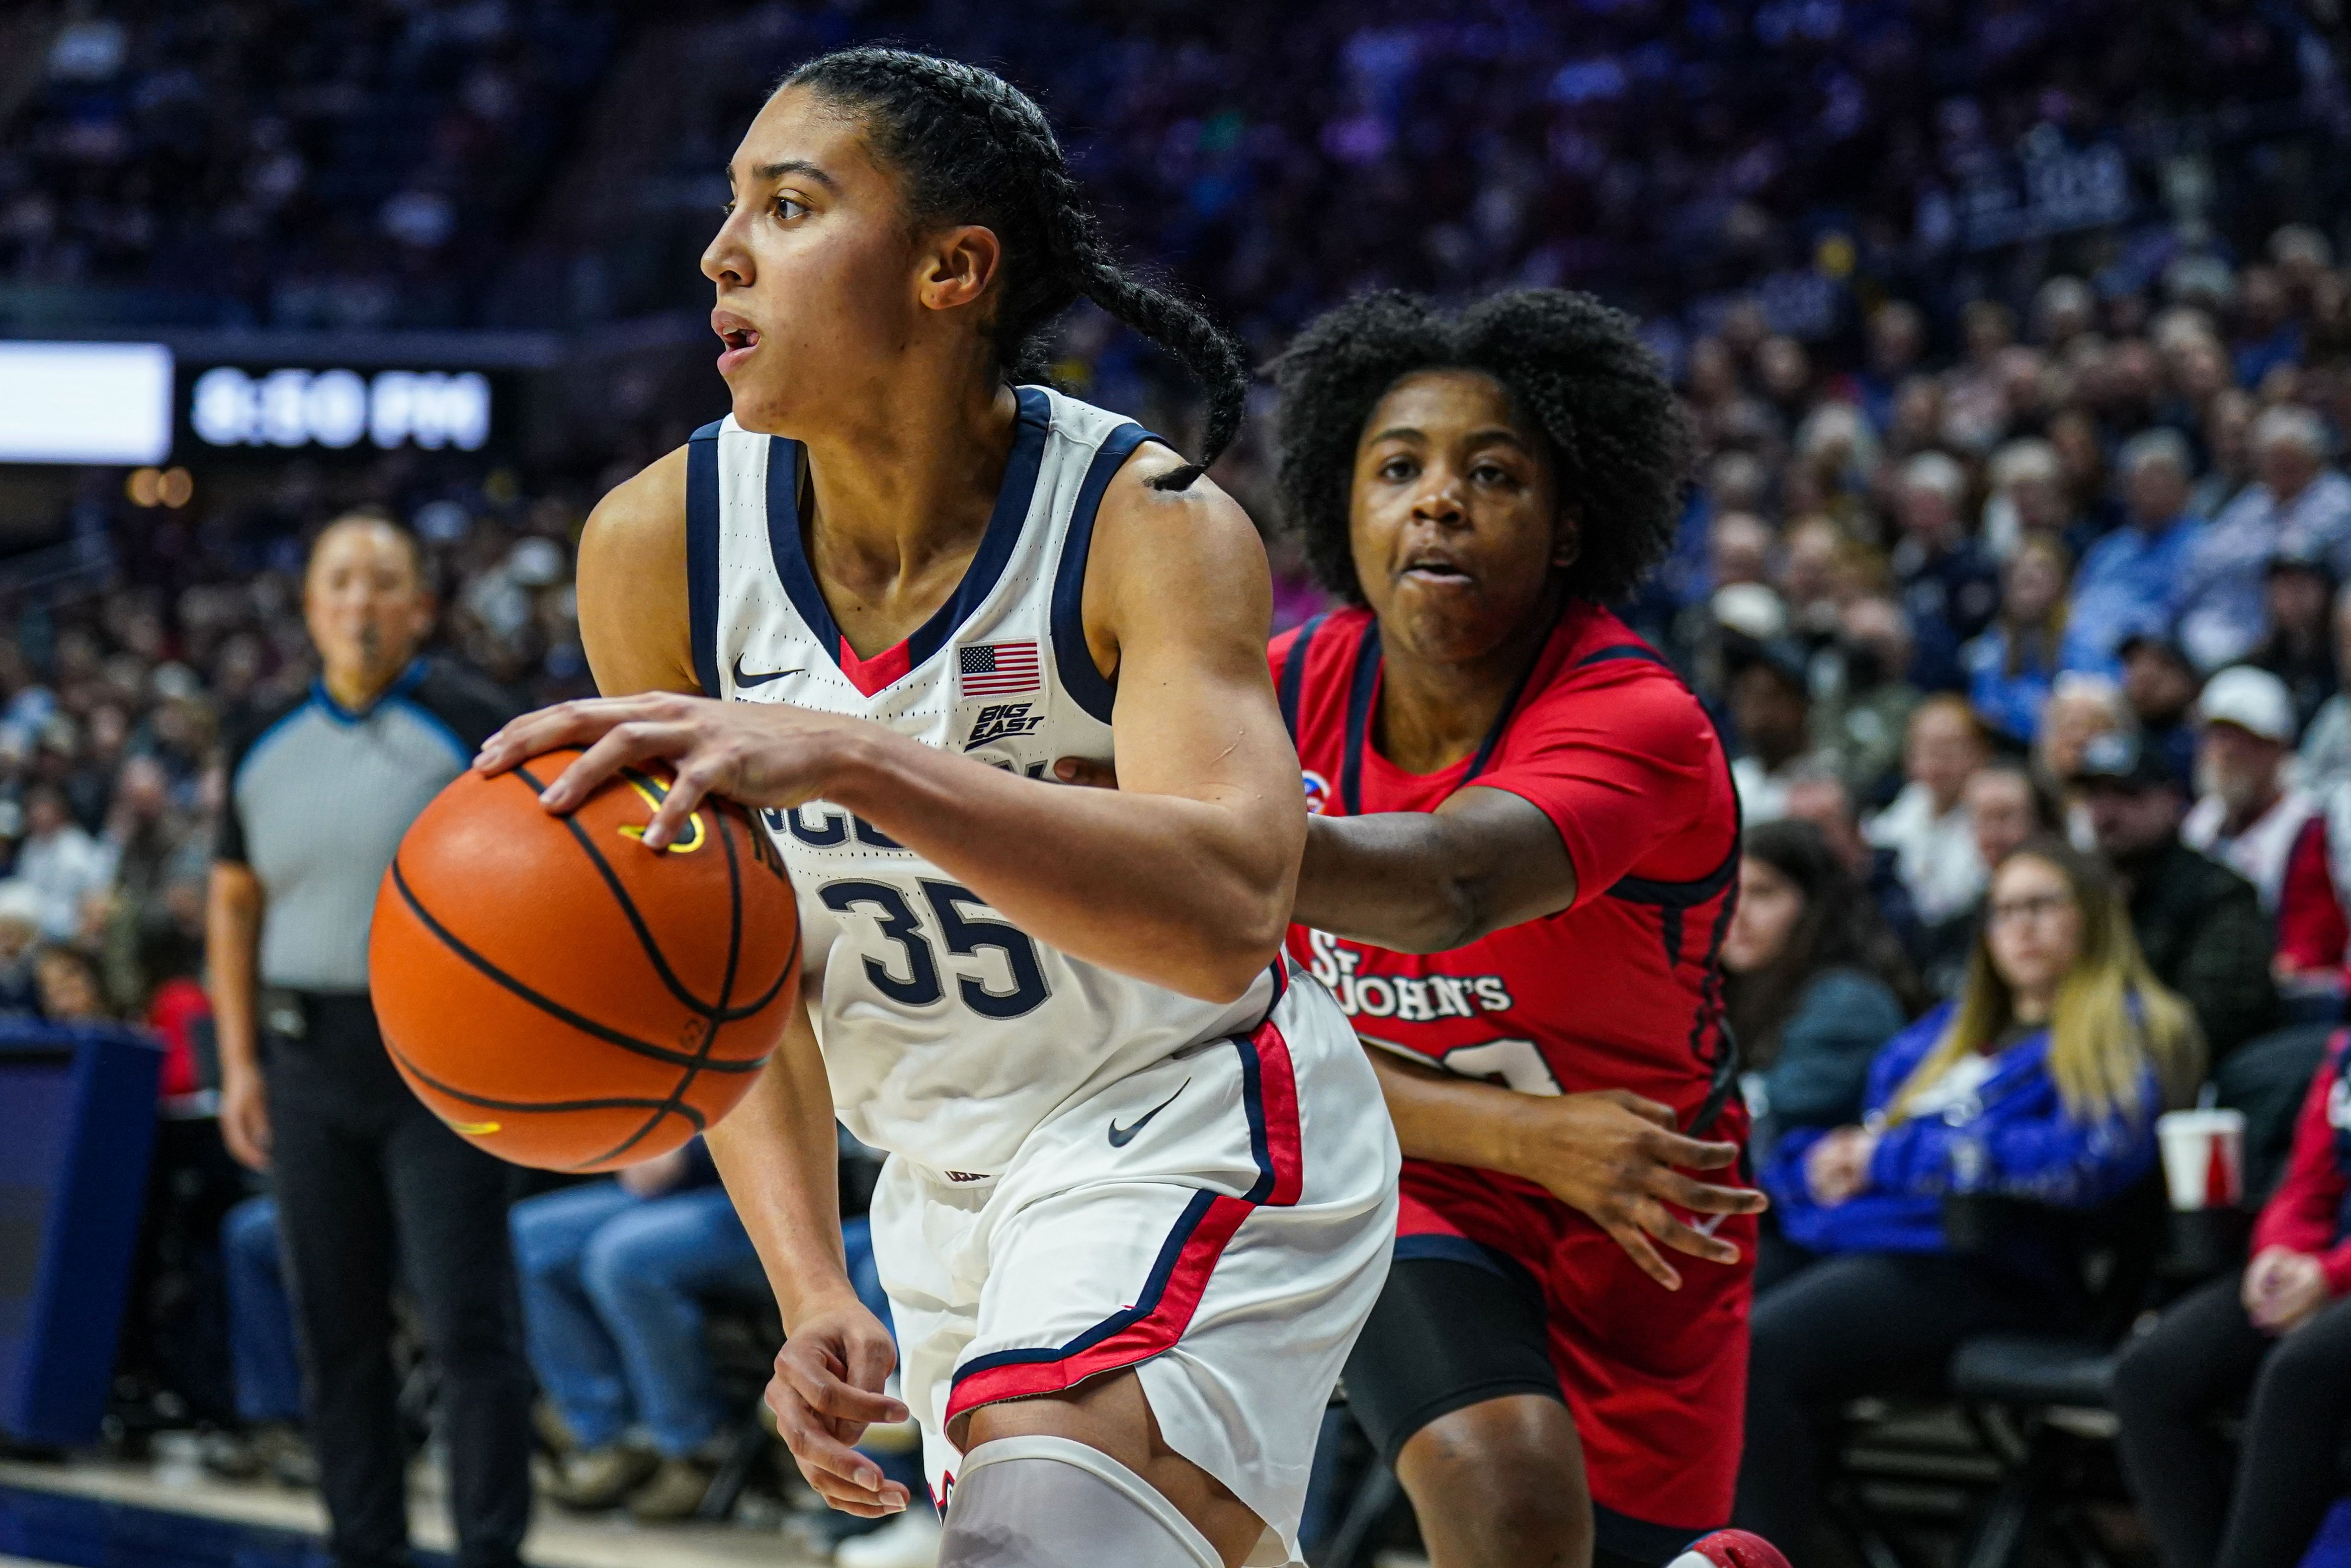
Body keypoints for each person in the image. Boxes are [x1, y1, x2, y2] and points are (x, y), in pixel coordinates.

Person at [475, 51, 1400, 1568]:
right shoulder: (657, 546)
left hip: (1183, 1117)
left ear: (952, 268)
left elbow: (1236, 903)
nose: (721, 251)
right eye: (731, 207)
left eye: (788, 206)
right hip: (937, 1189)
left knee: (1024, 1550)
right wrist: (808, 1287)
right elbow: (732, 974)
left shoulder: (1142, 522)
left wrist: (851, 759)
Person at [1249, 288, 1770, 1568]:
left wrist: (1172, 840)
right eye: (1396, 468)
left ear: (1566, 526)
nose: (1437, 499)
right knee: (1506, 1490)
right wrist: (1515, 1133)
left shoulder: (1638, 721)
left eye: (1492, 473)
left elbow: (1451, 889)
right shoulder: (1277, 692)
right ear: (1342, 506)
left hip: (1642, 1207)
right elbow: (1245, 1035)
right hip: (1405, 1168)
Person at [208, 514, 534, 1568]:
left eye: (383, 582)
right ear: (309, 605)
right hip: (305, 1056)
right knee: (335, 1329)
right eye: (340, 580)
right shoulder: (256, 731)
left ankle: (492, 1545)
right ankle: (363, 1543)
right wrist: (242, 1063)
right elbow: (233, 906)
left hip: (441, 1062)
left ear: (420, 608)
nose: (360, 601)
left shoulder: (477, 724)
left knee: (466, 1322)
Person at [1734, 839, 2202, 1548]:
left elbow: (2082, 1162)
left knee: (1752, 1352)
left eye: (2042, 905)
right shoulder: (1945, 1034)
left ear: (2093, 918)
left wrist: (1892, 1157)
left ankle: (1756, 1559)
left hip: (1993, 1266)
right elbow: (1858, 1137)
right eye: (2004, 909)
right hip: (1864, 1238)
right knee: (1692, 1324)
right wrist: (1816, 1167)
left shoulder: (2130, 1028)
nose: (2020, 926)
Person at [2112, 1026, 2351, 1568]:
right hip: (2321, 1262)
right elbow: (2309, 1181)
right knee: (2151, 1375)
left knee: (2301, 1370)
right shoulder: (2346, 1050)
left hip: (2337, 1275)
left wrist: (2332, 1276)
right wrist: (2279, 1252)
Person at [1723, 820, 1914, 1288]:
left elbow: (1755, 1134)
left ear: (1812, 907)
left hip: (1829, 1231)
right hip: (1768, 1218)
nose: (1737, 913)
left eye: (1763, 894)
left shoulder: (1847, 1001)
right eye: (1727, 893)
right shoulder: (1726, 991)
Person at [2074, 730, 2281, 1061]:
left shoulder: (2220, 892)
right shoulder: (2078, 890)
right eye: (2094, 795)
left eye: (2128, 793)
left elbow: (2212, 1020)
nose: (2106, 813)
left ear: (2172, 801)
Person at [2177, 404, 2351, 671]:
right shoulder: (2255, 500)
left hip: (2303, 631)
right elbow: (2209, 555)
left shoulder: (2338, 501)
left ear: (2314, 461)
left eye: (2290, 461)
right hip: (2233, 618)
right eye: (2271, 461)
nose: (2280, 470)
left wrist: (2248, 557)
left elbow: (2292, 554)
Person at [2061, 429, 2202, 676]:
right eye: (2139, 484)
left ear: (2184, 488)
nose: (2147, 494)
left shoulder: (2203, 547)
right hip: (2081, 671)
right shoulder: (2107, 552)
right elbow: (2078, 611)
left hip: (2153, 672)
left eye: (2158, 482)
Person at [2183, 665, 2315, 914]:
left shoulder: (2306, 826)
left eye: (2238, 738)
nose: (2222, 752)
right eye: (2215, 736)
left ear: (2276, 748)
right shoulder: (2200, 822)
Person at [1866, 695, 1991, 925]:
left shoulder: (1992, 810)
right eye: (1926, 748)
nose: (1936, 761)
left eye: (1949, 749)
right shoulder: (1909, 801)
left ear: (1982, 753)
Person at [1962, 535, 2068, 744]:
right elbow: (1985, 709)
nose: (2026, 575)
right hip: (2006, 745)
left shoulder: (2077, 633)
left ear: (2060, 583)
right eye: (2017, 573)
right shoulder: (1995, 639)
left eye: (2040, 570)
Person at [1726, 637, 1820, 823]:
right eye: (1746, 696)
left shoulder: (1828, 784)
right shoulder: (1732, 780)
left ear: (1801, 705)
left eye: (1767, 697)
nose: (1753, 712)